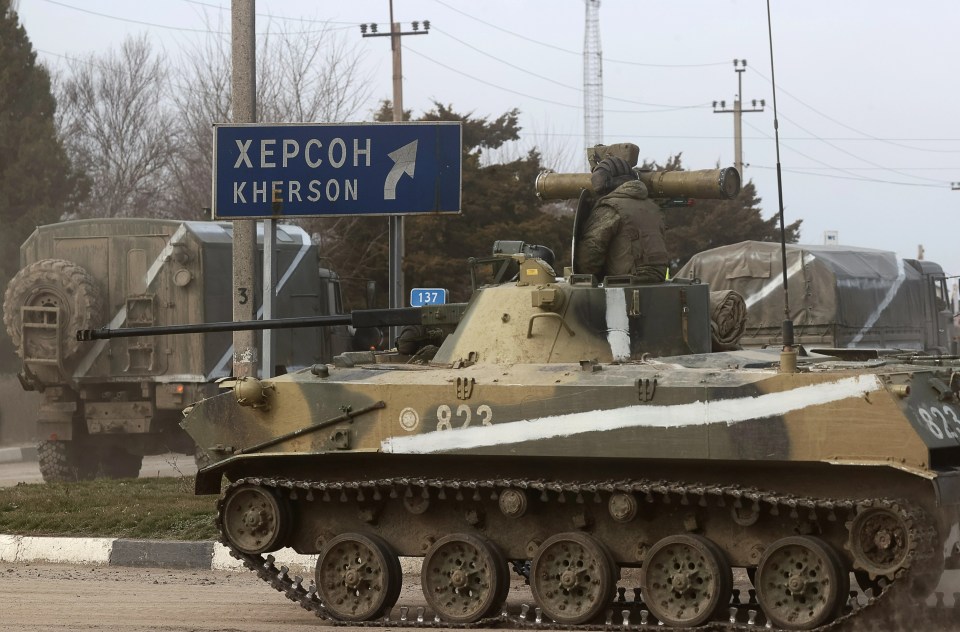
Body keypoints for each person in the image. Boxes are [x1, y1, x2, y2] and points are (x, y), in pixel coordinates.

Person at [573, 155, 669, 283]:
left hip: (624, 287)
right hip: (658, 282)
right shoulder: (653, 207)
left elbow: (590, 254)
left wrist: (592, 280)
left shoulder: (610, 207)